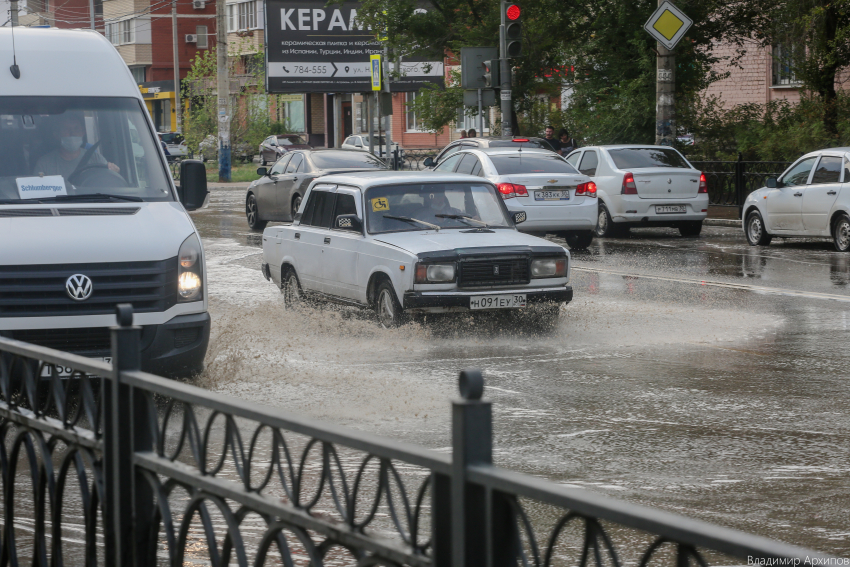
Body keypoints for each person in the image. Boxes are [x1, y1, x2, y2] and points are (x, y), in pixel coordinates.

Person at [35, 114, 120, 180]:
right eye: (66, 129)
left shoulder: (97, 160)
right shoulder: (44, 164)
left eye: (76, 129)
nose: (72, 133)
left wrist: (113, 172)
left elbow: (108, 183)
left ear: (83, 132)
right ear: (56, 134)